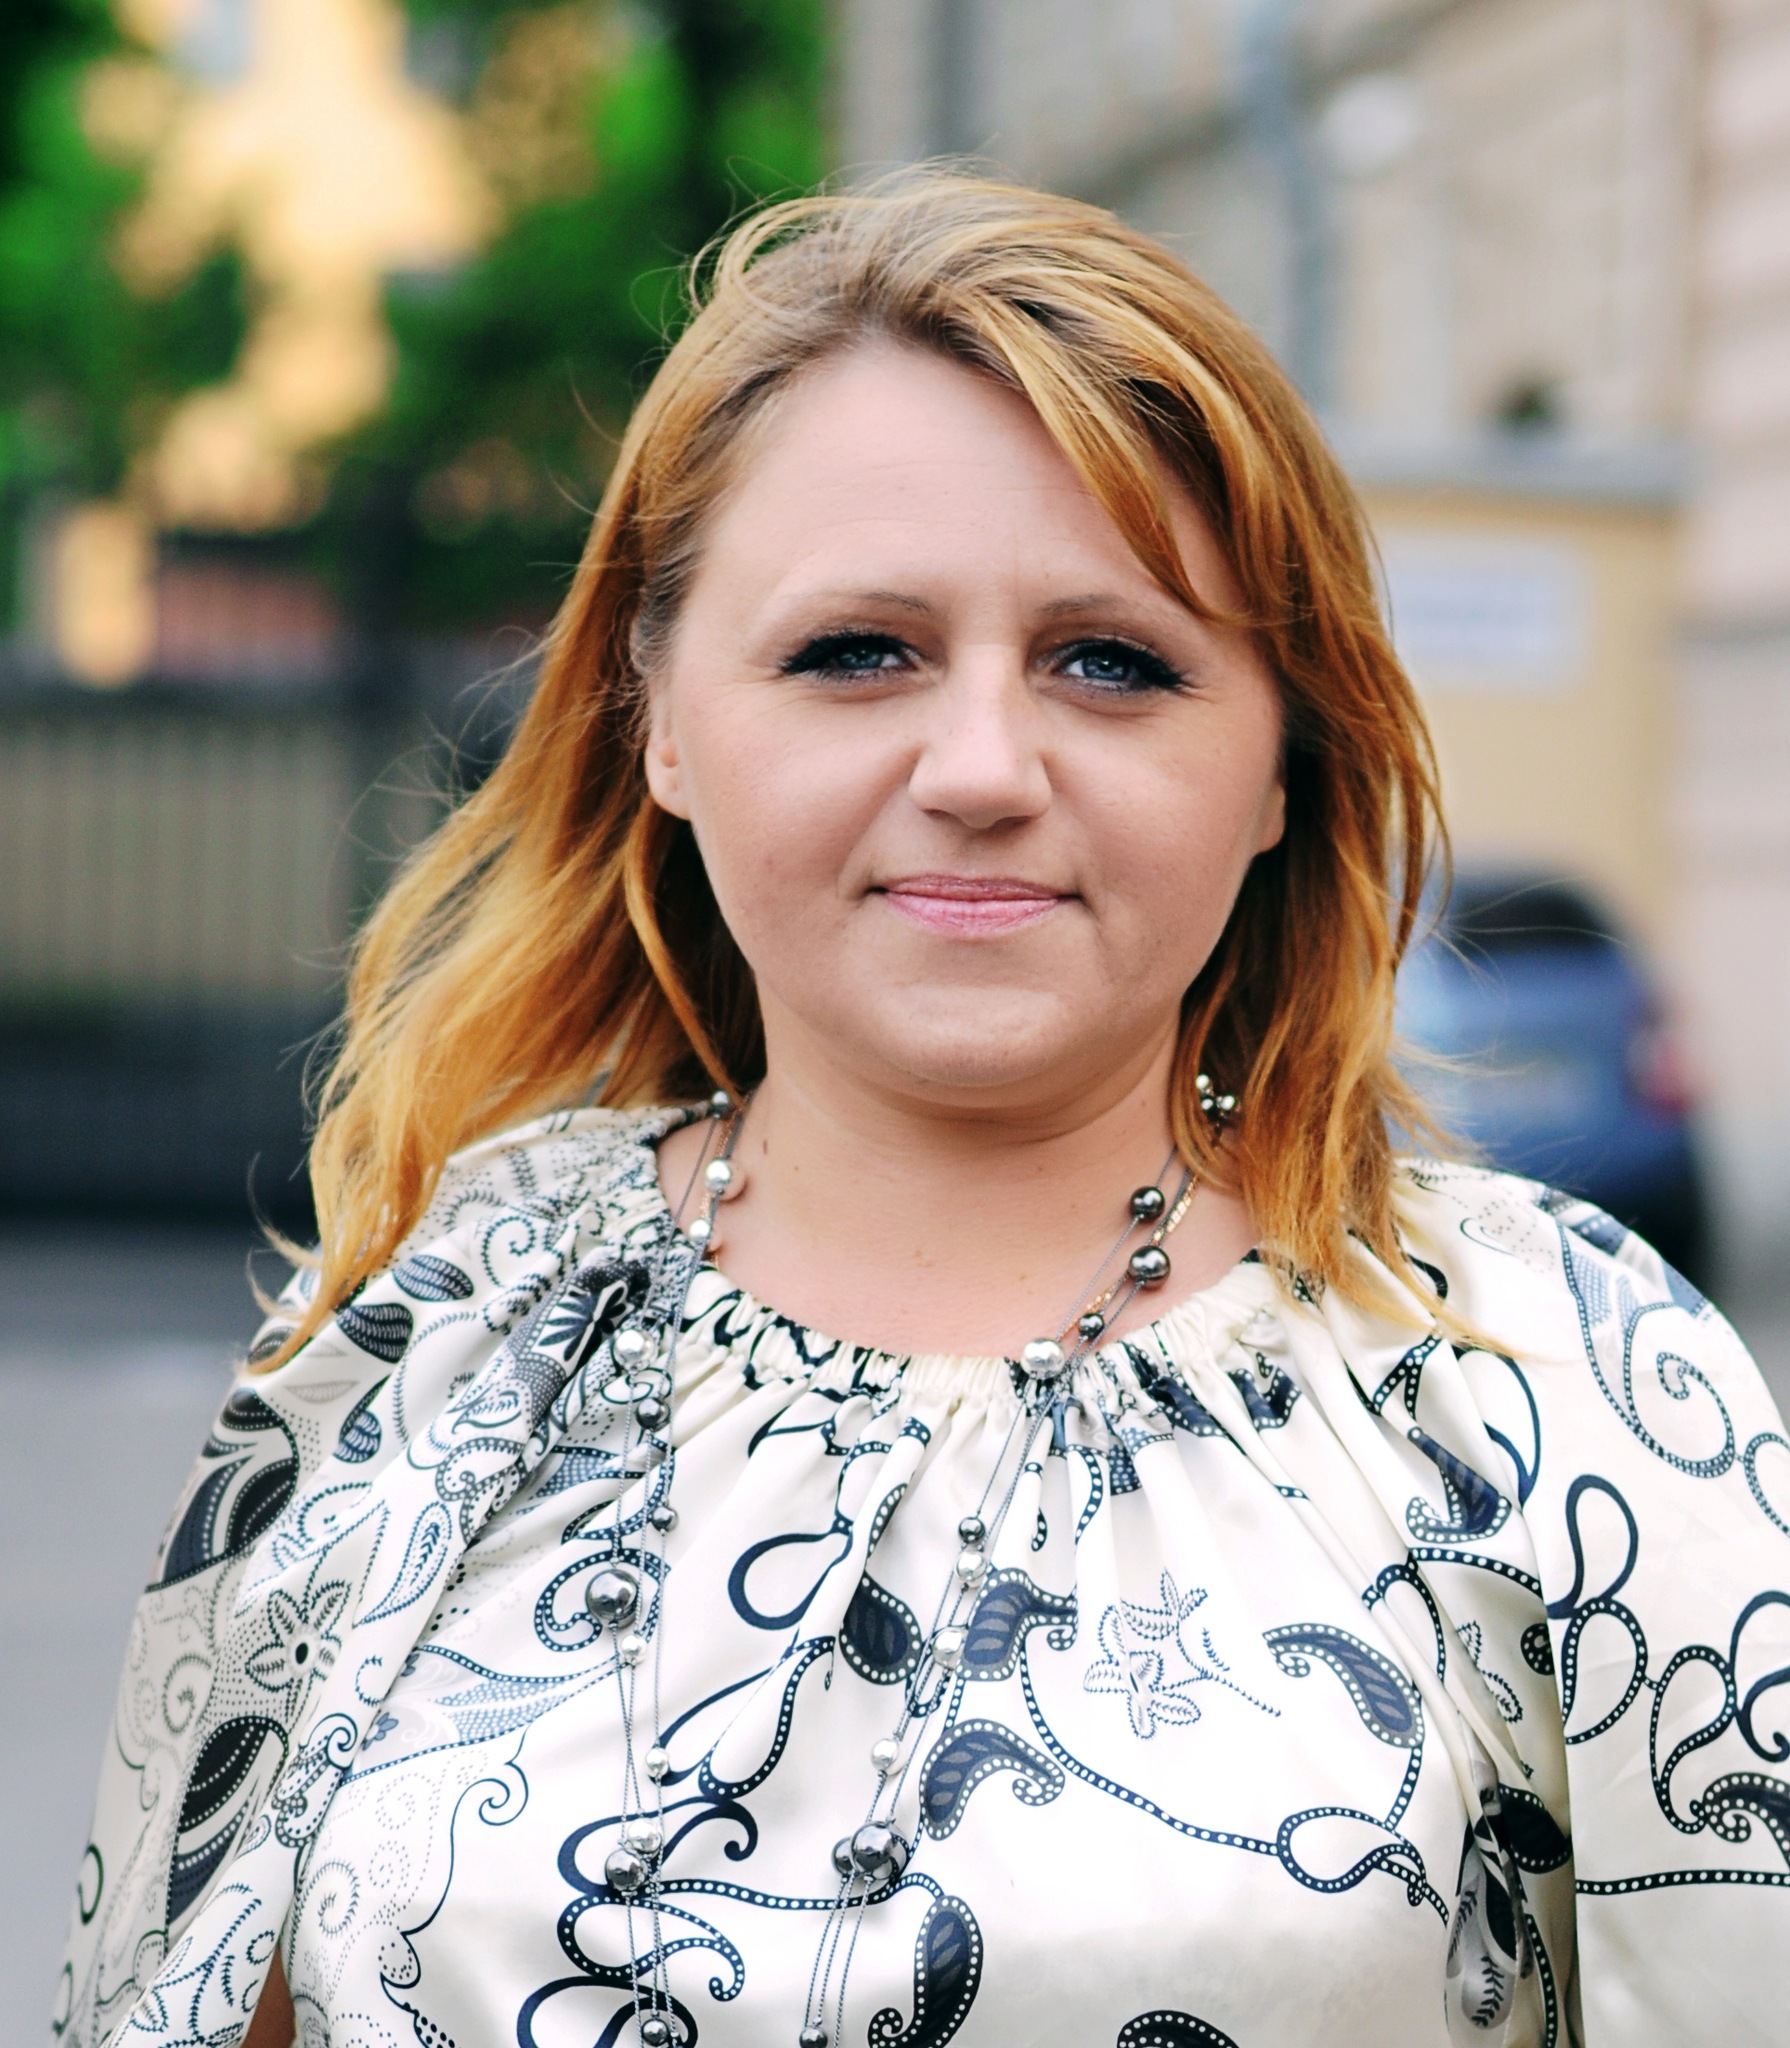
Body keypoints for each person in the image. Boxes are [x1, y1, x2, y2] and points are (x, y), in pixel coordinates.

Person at [58, 174, 1790, 2048]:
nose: (979, 768)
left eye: (1111, 662)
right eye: (855, 651)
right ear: (660, 721)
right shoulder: (440, 1327)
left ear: (1282, 768)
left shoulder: (1557, 1382)